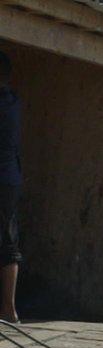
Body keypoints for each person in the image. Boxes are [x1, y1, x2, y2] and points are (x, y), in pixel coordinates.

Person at [0, 52, 21, 323]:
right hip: (11, 179)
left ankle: (8, 310)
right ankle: (9, 310)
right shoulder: (14, 101)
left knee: (6, 244)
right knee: (8, 242)